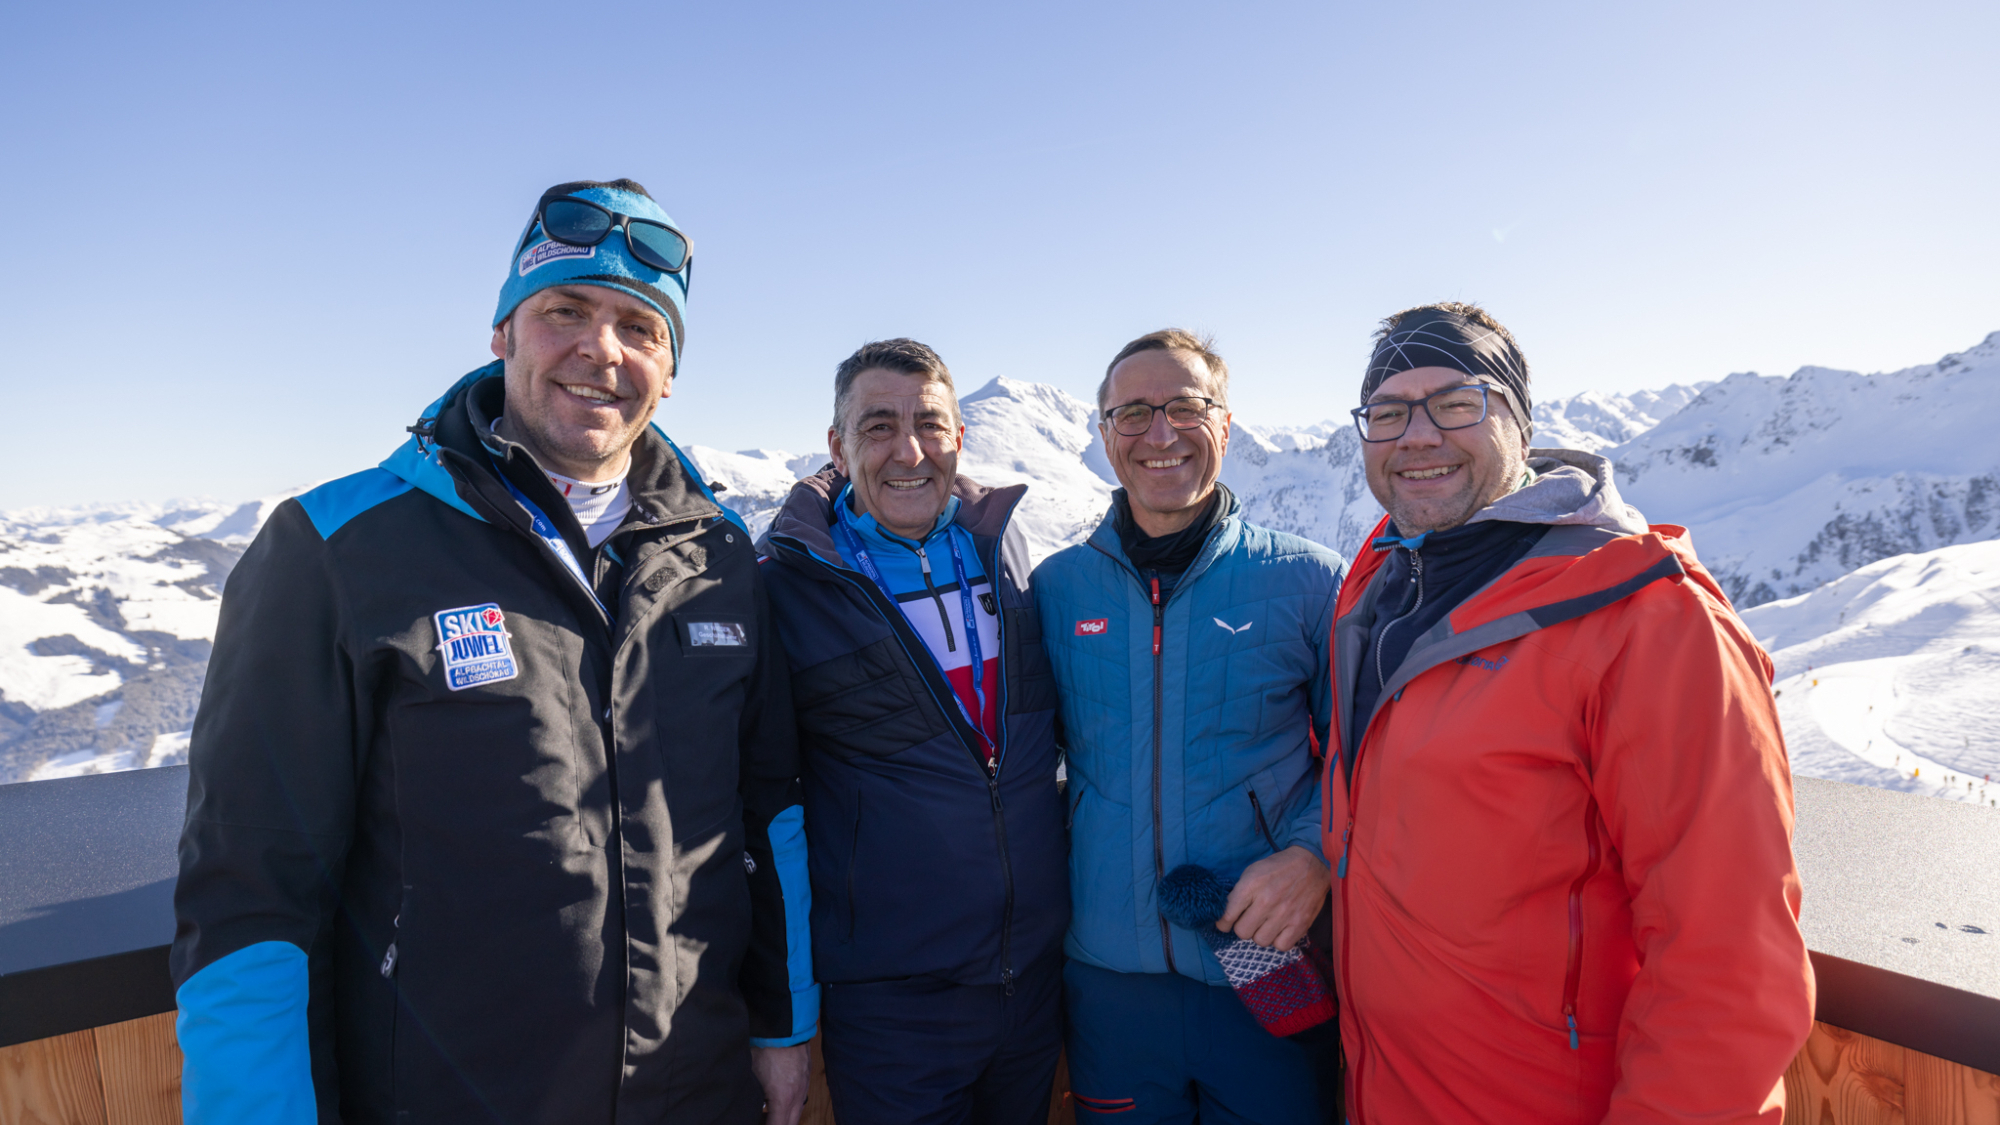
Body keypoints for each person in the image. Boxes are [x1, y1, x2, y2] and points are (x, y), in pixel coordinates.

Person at [170, 179, 816, 1125]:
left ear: (670, 370)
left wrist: (783, 1024)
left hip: (694, 1091)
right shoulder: (337, 551)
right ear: (503, 332)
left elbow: (768, 813)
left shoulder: (716, 556)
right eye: (566, 311)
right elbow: (249, 889)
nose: (602, 349)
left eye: (641, 327)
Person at [1324, 302, 1814, 1122]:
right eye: (1388, 412)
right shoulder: (1379, 583)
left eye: (1456, 403)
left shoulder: (1651, 621)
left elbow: (1730, 959)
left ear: (1519, 422)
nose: (1418, 434)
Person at [1033, 329, 1347, 1124]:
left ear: (1226, 425)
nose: (1159, 433)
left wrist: (1314, 854)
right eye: (1132, 413)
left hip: (1265, 958)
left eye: (1184, 407)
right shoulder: (1056, 590)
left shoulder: (1308, 580)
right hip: (1110, 980)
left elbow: (1364, 753)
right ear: (1105, 433)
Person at [758, 339, 1069, 1124]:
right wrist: (786, 1019)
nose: (910, 451)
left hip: (1033, 987)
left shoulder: (1003, 548)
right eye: (879, 427)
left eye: (930, 424)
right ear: (837, 447)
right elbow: (769, 813)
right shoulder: (788, 586)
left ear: (959, 435)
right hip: (894, 1010)